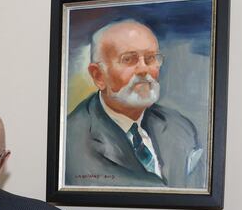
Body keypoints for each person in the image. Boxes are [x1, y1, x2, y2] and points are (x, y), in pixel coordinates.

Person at [65, 19, 205, 188]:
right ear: (98, 76)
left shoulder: (180, 128)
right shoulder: (71, 139)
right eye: (129, 59)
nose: (144, 69)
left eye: (150, 58)